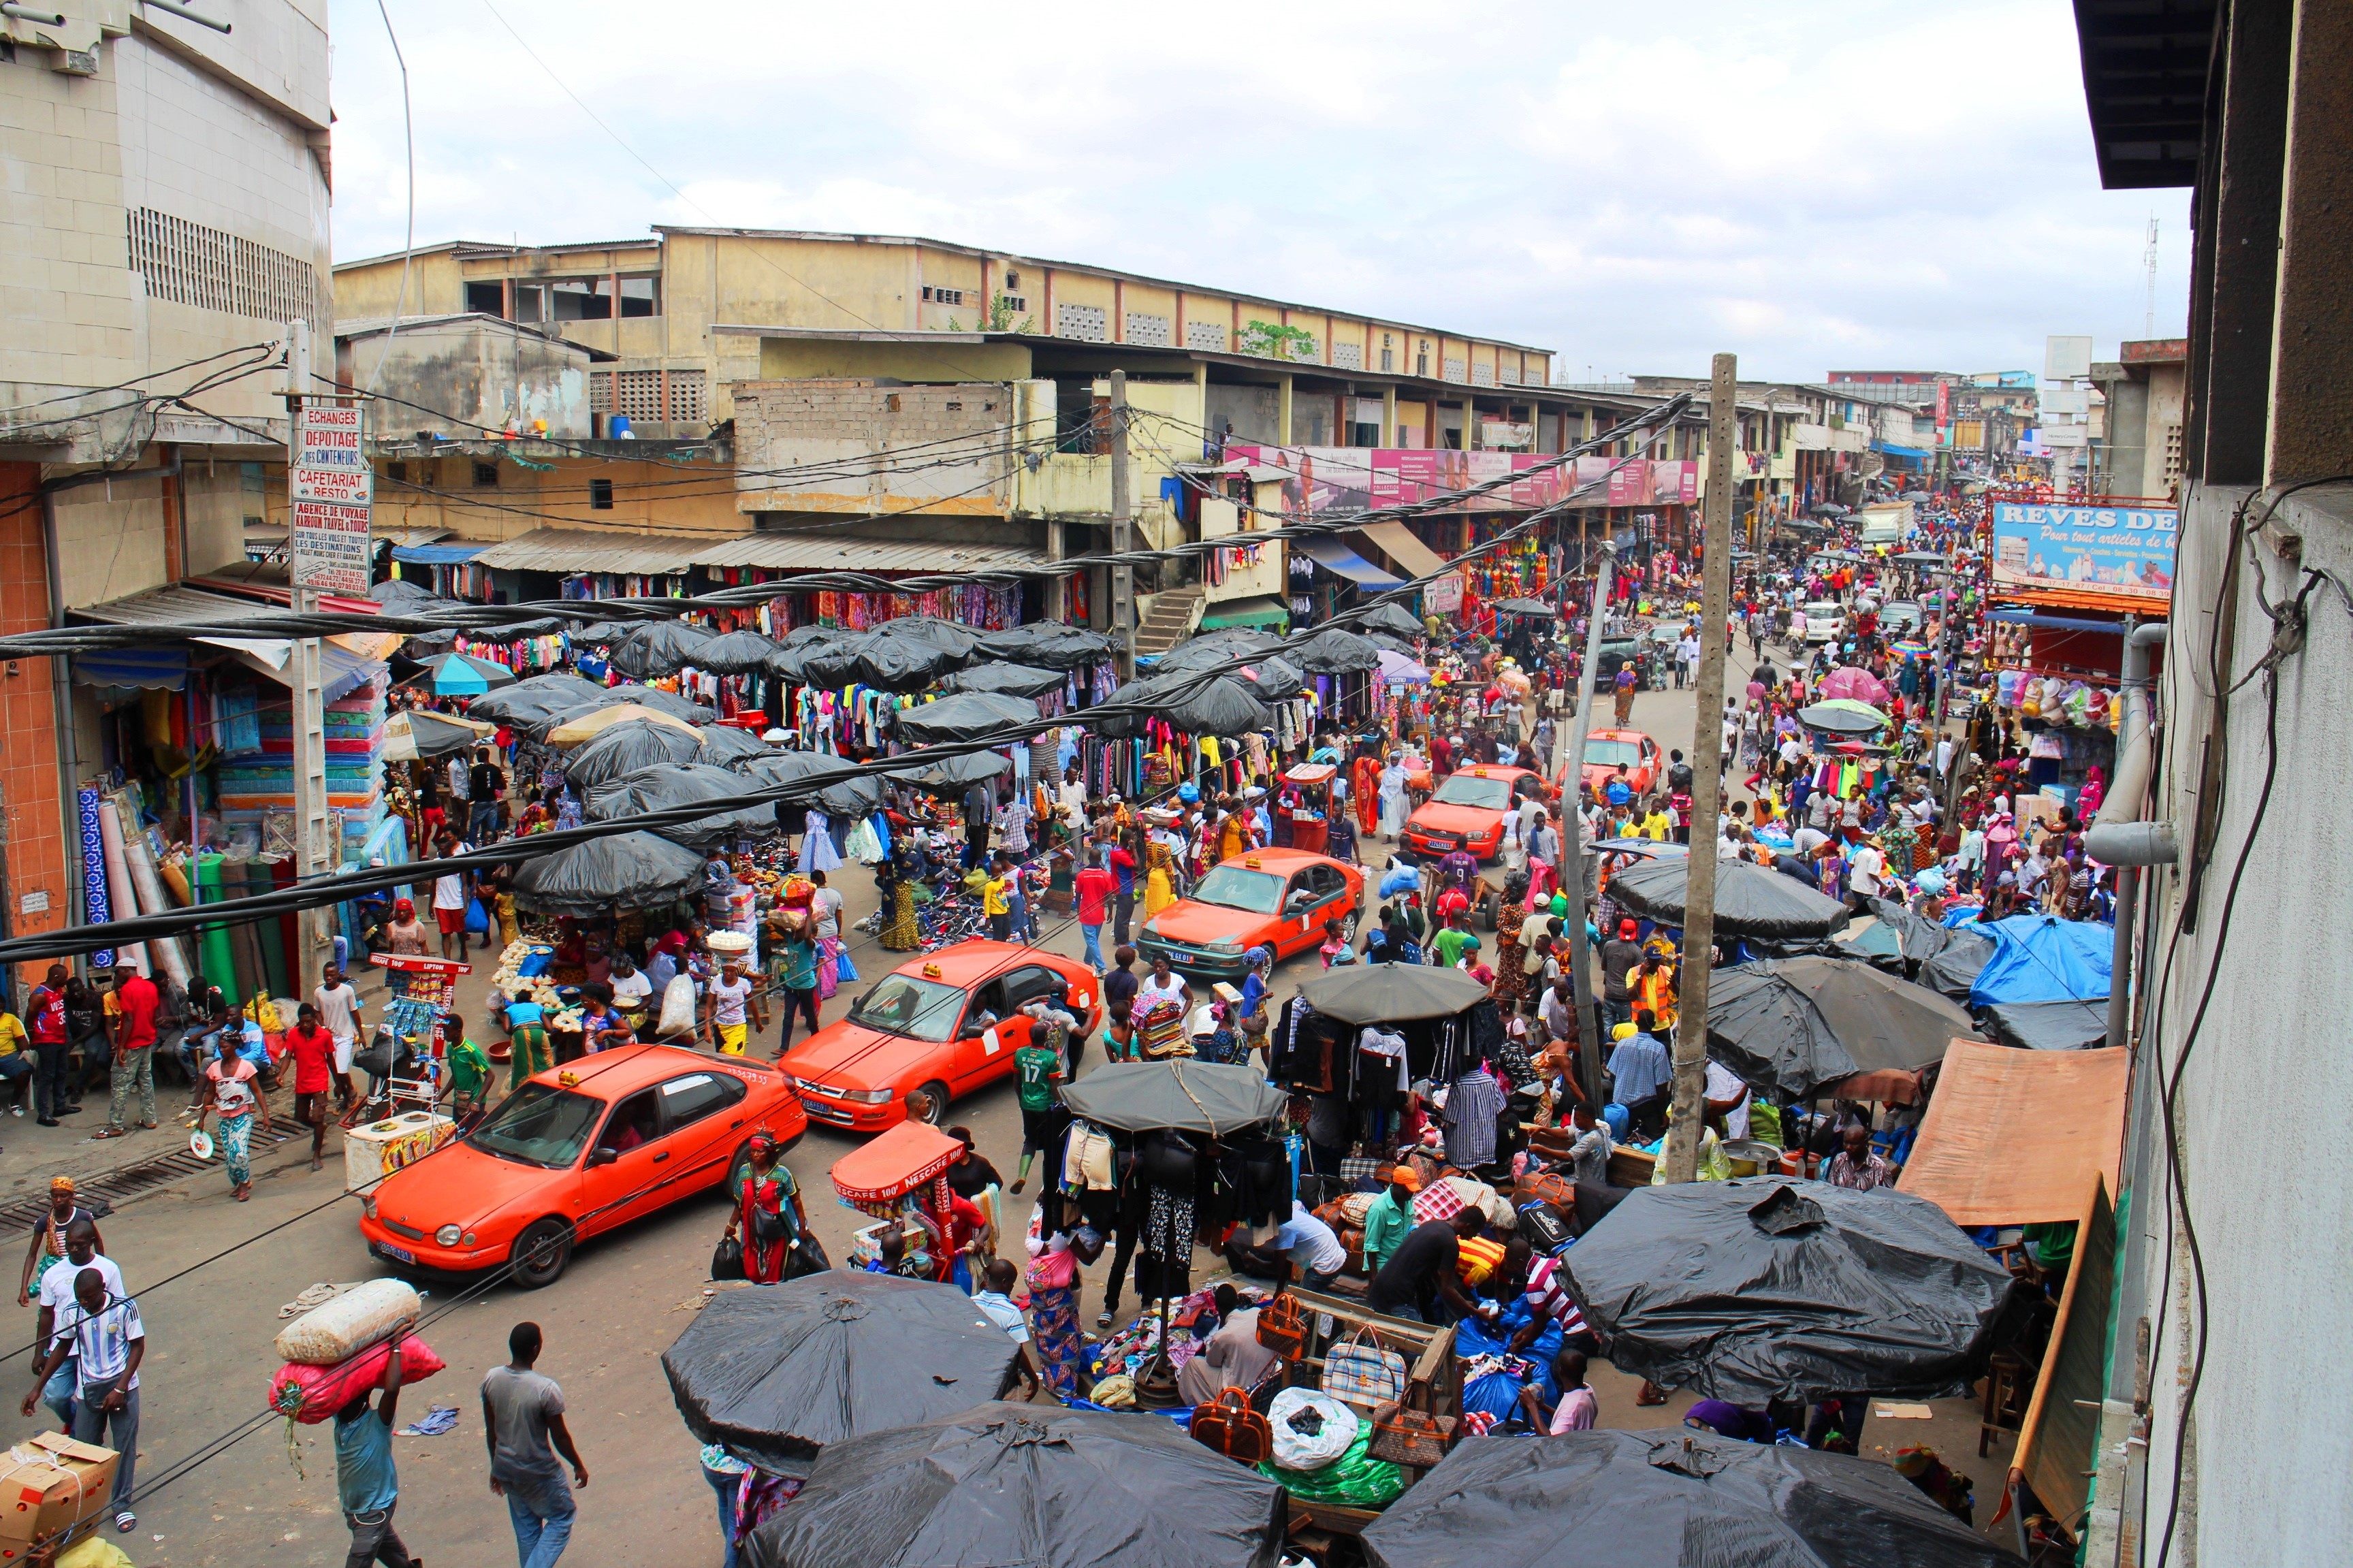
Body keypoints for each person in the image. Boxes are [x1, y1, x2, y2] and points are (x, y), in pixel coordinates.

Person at [22, 1264, 142, 1533]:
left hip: (123, 1386)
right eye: (80, 1297)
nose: (84, 1302)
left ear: (103, 1289)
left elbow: (138, 1346)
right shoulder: (72, 1312)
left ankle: (121, 1505)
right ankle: (86, 1507)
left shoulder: (124, 1308)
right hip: (88, 1388)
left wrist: (121, 1388)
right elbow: (62, 1347)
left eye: (89, 1297)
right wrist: (37, 1389)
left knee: (124, 1446)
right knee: (86, 1450)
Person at [483, 1322, 587, 1568]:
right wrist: (578, 1466)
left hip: (507, 1468)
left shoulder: (492, 1379)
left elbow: (492, 1430)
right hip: (539, 1471)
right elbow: (560, 1437)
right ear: (536, 1349)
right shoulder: (545, 1390)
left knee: (527, 1529)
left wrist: (495, 1468)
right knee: (562, 1518)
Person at [335, 1330, 417, 1568]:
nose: (339, 1403)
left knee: (358, 1562)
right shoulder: (342, 1421)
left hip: (374, 1511)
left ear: (362, 1400)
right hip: (354, 1510)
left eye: (344, 1399)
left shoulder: (377, 1423)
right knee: (397, 1559)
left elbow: (391, 1390)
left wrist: (396, 1343)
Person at [31, 1217, 121, 1430]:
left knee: (87, 1398)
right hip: (62, 1346)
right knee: (55, 1396)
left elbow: (118, 1307)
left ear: (90, 1242)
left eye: (79, 1245)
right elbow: (46, 1314)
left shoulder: (108, 1269)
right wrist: (39, 1351)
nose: (73, 1249)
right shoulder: (53, 1274)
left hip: (94, 1346)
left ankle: (85, 1436)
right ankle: (73, 1422)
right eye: (69, 1245)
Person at [1366, 1209, 1487, 1323]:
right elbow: (1446, 1289)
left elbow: (1435, 1274)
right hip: (1398, 1297)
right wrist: (1473, 1310)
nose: (1473, 1237)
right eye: (1475, 1233)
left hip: (1380, 1285)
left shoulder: (1432, 1225)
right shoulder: (1450, 1243)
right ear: (1467, 1227)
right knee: (1418, 1341)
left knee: (1373, 1336)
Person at [722, 1133, 809, 1285]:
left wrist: (802, 1227)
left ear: (769, 1153)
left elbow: (796, 1201)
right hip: (751, 1232)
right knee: (752, 1270)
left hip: (774, 1232)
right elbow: (739, 1202)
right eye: (753, 1151)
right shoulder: (744, 1172)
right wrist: (732, 1224)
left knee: (774, 1271)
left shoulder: (782, 1174)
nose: (755, 1155)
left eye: (760, 1151)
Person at [1175, 1283, 1280, 1405]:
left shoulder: (1223, 1336)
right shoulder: (1257, 1313)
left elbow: (1212, 1361)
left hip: (1241, 1393)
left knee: (1192, 1365)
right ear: (1237, 1301)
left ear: (1218, 1308)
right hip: (1266, 1380)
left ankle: (1212, 1409)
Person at [197, 1036, 270, 1201]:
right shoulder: (214, 1068)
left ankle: (244, 1185)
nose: (222, 1050)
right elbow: (210, 1094)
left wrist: (266, 1116)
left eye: (225, 1047)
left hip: (243, 1114)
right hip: (224, 1116)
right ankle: (239, 1182)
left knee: (239, 1153)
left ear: (235, 1046)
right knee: (229, 1157)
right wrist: (202, 1118)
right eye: (220, 1048)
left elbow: (258, 1091)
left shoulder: (246, 1067)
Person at [1225, 1199, 1347, 1292]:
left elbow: (1277, 1267)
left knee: (1302, 1307)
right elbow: (1285, 1260)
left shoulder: (1283, 1229)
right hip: (1328, 1254)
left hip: (1327, 1261)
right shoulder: (1280, 1217)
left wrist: (1254, 1260)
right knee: (1310, 1301)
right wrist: (1279, 1290)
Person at [98, 963, 159, 1137]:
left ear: (125, 970)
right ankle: (150, 1119)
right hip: (148, 1039)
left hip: (133, 1042)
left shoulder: (128, 989)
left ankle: (116, 1125)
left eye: (118, 972)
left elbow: (129, 1019)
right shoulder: (150, 986)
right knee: (146, 1079)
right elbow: (153, 1013)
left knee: (120, 1084)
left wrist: (121, 1046)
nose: (117, 976)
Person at [1008, 1025, 1068, 1197]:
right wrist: (1062, 1105)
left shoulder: (1020, 1053)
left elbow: (1016, 1082)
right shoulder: (1051, 1059)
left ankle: (1022, 1176)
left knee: (1030, 1140)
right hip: (1046, 1107)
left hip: (1027, 1105)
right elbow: (1054, 1087)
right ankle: (1048, 1184)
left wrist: (1022, 1100)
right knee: (1050, 1144)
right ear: (1045, 1038)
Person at [972, 1258, 1043, 1397]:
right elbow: (1017, 1353)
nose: (1012, 1288)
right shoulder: (1011, 1313)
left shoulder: (971, 1303)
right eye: (1012, 1283)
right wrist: (1033, 1378)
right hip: (1001, 1381)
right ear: (1005, 1283)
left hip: (974, 1376)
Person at [284, 1002, 337, 1171]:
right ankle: (320, 1128)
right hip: (302, 1083)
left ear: (315, 1019)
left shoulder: (324, 1036)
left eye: (308, 1021)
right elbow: (287, 1057)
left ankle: (317, 1156)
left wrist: (338, 1082)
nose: (305, 1025)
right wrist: (280, 1074)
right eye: (302, 1022)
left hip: (320, 1082)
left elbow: (330, 1060)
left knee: (318, 1118)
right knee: (300, 1118)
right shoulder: (293, 1034)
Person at [1607, 1010, 1672, 1140]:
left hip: (1622, 1103)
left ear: (1636, 1022)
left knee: (1620, 1139)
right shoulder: (1658, 1049)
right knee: (1657, 1140)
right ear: (1653, 1024)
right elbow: (1662, 1087)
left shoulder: (1622, 1044)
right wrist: (1663, 1113)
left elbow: (1613, 1074)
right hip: (1647, 1105)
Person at [25, 965, 70, 1125]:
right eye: (65, 977)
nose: (67, 980)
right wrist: (33, 1038)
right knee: (47, 1076)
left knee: (62, 1072)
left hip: (61, 1039)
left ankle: (60, 1106)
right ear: (57, 977)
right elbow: (29, 1018)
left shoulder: (57, 990)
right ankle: (43, 1114)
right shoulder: (40, 995)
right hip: (46, 1041)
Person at [316, 961, 364, 1111]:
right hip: (329, 1037)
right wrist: (323, 1027)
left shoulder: (347, 991)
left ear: (338, 975)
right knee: (334, 1072)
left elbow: (354, 1012)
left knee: (341, 1070)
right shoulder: (318, 992)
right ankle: (345, 1097)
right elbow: (317, 1011)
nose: (329, 978)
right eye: (326, 975)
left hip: (346, 1035)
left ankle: (351, 1090)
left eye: (332, 975)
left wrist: (361, 1035)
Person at [1519, 1347, 1598, 1435]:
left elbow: (1550, 1440)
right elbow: (1567, 1419)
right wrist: (1543, 1407)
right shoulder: (1587, 1390)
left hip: (1567, 1447)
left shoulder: (1572, 1407)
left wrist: (1531, 1405)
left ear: (1560, 1370)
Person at [701, 955, 765, 1058]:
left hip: (738, 1026)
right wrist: (707, 1028)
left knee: (732, 1057)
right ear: (722, 969)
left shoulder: (743, 984)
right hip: (720, 1028)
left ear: (736, 970)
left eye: (731, 970)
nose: (728, 973)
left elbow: (752, 1005)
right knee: (722, 1057)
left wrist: (758, 1023)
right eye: (726, 970)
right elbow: (709, 1007)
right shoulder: (716, 983)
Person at [431, 832, 472, 961]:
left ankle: (463, 950)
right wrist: (430, 905)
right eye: (439, 849)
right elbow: (433, 885)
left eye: (442, 849)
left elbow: (464, 885)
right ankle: (447, 961)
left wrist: (465, 905)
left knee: (460, 931)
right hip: (441, 904)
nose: (440, 851)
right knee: (445, 933)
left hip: (457, 903)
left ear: (450, 849)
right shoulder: (435, 863)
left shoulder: (459, 862)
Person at [1823, 1121, 1898, 1191]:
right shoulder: (1840, 1159)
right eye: (1846, 1142)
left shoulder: (1879, 1168)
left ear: (1865, 1142)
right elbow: (1832, 1189)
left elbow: (1887, 1200)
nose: (1848, 1147)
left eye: (1854, 1144)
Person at [1073, 850, 1114, 974]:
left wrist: (1079, 910)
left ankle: (1101, 968)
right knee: (1093, 941)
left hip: (1086, 913)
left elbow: (1078, 894)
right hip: (1099, 913)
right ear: (1100, 858)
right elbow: (1109, 896)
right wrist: (1111, 912)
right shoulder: (1106, 875)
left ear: (1089, 858)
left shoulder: (1081, 875)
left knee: (1092, 941)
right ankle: (1087, 962)